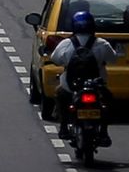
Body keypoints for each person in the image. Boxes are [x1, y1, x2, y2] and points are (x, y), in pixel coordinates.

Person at [50, 11, 119, 144]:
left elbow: (55, 59)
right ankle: (104, 131)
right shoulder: (102, 44)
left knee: (60, 94)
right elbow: (113, 59)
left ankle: (63, 127)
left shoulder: (66, 44)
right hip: (96, 86)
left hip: (71, 86)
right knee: (108, 100)